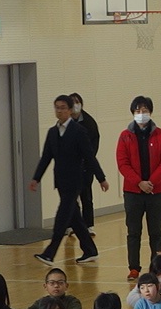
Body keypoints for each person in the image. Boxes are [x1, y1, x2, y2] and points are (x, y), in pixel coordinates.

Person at [30, 92, 107, 263]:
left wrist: (101, 178)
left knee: (62, 215)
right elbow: (46, 157)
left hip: (75, 181)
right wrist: (36, 178)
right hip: (61, 181)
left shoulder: (79, 131)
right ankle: (90, 250)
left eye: (63, 108)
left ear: (70, 110)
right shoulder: (52, 132)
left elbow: (89, 156)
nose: (59, 111)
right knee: (75, 217)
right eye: (57, 108)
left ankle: (50, 252)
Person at [111, 94, 161, 277]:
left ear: (150, 112)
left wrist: (151, 182)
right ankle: (134, 267)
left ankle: (156, 267)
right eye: (137, 110)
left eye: (144, 110)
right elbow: (122, 163)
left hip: (155, 191)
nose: (141, 113)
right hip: (133, 192)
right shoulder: (125, 136)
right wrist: (139, 182)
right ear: (132, 113)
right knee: (133, 232)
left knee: (156, 232)